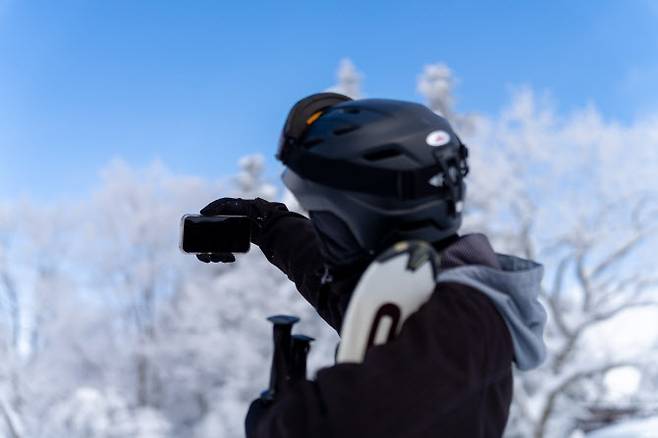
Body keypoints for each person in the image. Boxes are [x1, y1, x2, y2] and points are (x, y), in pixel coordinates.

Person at [197, 93, 547, 438]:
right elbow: (333, 283)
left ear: (365, 214)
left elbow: (338, 424)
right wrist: (266, 225)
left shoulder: (462, 323)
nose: (321, 228)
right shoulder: (424, 293)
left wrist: (277, 422)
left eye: (324, 215)